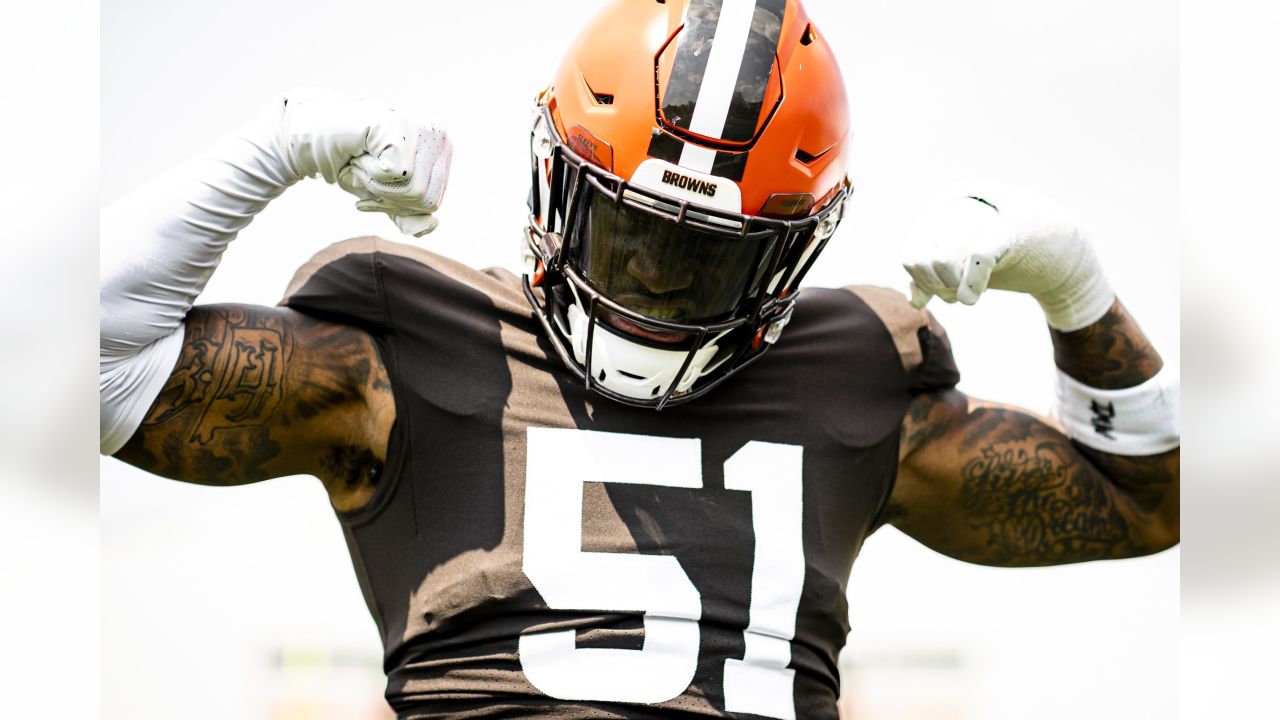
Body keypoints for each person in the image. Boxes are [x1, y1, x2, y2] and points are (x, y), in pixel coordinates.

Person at [99, 0, 1179, 718]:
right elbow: (74, 369)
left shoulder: (849, 374)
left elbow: (1150, 502)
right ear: (555, 185)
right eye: (632, 234)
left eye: (705, 258)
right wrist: (277, 144)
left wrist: (1068, 278)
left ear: (791, 252)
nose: (657, 284)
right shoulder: (402, 354)